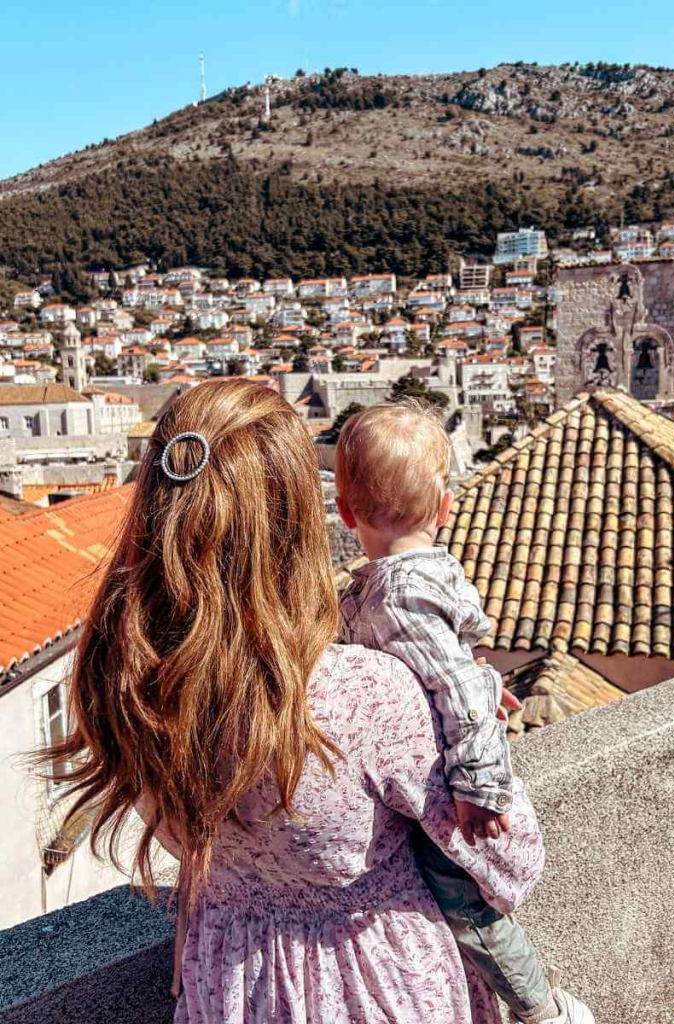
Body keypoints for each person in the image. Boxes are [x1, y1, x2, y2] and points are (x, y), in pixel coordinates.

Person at [40, 380, 555, 1023]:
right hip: (380, 984)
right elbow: (508, 860)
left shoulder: (126, 689)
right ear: (299, 521)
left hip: (229, 982)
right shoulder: (369, 694)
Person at [335, 399, 594, 1024]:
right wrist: (481, 685)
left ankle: (542, 1010)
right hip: (433, 774)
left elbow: (449, 684)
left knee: (463, 906)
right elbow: (453, 674)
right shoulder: (402, 583)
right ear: (445, 508)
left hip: (457, 788)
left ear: (343, 513)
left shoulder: (399, 596)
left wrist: (479, 786)